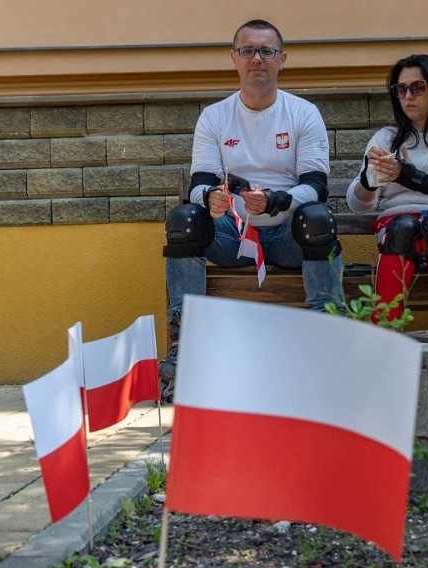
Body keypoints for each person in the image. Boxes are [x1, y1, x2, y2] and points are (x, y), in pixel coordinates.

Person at [160, 19, 344, 399]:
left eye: (266, 51)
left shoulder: (303, 114)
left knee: (318, 220)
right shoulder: (214, 116)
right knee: (184, 221)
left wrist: (279, 200)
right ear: (234, 58)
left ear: (282, 59)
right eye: (247, 51)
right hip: (233, 235)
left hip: (286, 234)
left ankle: (326, 337)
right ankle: (185, 343)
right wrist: (211, 198)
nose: (256, 59)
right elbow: (198, 184)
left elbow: (317, 187)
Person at [347, 54, 428, 329]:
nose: (408, 96)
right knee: (403, 226)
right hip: (400, 230)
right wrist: (370, 179)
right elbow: (357, 205)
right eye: (401, 89)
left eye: (417, 87)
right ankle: (384, 330)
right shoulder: (386, 138)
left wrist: (412, 177)